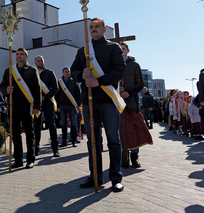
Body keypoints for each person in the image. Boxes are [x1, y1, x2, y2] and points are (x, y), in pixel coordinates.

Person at [71, 17, 126, 192]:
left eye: (97, 27)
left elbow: (120, 70)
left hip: (108, 101)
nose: (94, 29)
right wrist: (82, 74)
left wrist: (99, 81)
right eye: (91, 27)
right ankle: (95, 176)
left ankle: (115, 178)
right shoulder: (83, 51)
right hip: (88, 101)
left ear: (104, 30)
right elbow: (73, 72)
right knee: (92, 141)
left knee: (113, 140)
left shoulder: (113, 48)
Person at [0, 47, 41, 169]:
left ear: (26, 56)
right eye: (17, 54)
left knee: (30, 134)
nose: (19, 56)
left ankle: (30, 160)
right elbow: (2, 85)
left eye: (21, 54)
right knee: (15, 135)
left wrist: (37, 107)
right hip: (13, 107)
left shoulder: (32, 71)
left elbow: (37, 90)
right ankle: (18, 160)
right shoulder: (9, 71)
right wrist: (6, 90)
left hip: (28, 107)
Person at [119, 42, 152, 168]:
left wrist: (128, 92)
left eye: (123, 49)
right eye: (119, 49)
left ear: (128, 50)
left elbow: (140, 84)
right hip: (118, 104)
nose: (121, 51)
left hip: (132, 103)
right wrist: (117, 91)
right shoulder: (113, 65)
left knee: (134, 131)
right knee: (121, 132)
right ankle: (123, 158)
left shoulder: (134, 65)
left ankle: (134, 157)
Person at [34, 55, 60, 157]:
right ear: (35, 63)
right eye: (38, 61)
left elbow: (55, 88)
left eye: (42, 60)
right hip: (37, 104)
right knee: (36, 126)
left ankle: (55, 149)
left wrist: (45, 97)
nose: (40, 62)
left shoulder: (50, 73)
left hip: (48, 102)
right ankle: (35, 149)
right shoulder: (33, 73)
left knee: (51, 125)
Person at [56, 67, 80, 148]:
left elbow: (78, 94)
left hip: (72, 105)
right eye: (66, 71)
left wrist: (78, 105)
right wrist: (57, 106)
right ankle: (64, 141)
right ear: (62, 72)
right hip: (62, 105)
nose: (67, 73)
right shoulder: (59, 82)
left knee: (74, 124)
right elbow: (57, 95)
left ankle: (74, 141)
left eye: (68, 71)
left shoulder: (74, 82)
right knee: (63, 124)